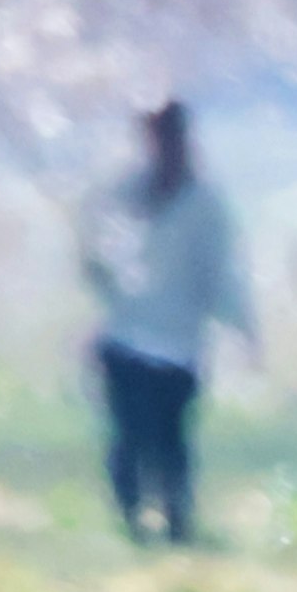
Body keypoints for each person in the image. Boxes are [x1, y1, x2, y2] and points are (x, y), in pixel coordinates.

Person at [82, 100, 255, 546]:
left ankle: (178, 525)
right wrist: (97, 267)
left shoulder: (206, 205)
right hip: (125, 339)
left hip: (179, 347)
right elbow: (97, 254)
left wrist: (244, 329)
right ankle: (135, 523)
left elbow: (222, 275)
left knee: (170, 442)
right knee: (129, 439)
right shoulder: (123, 193)